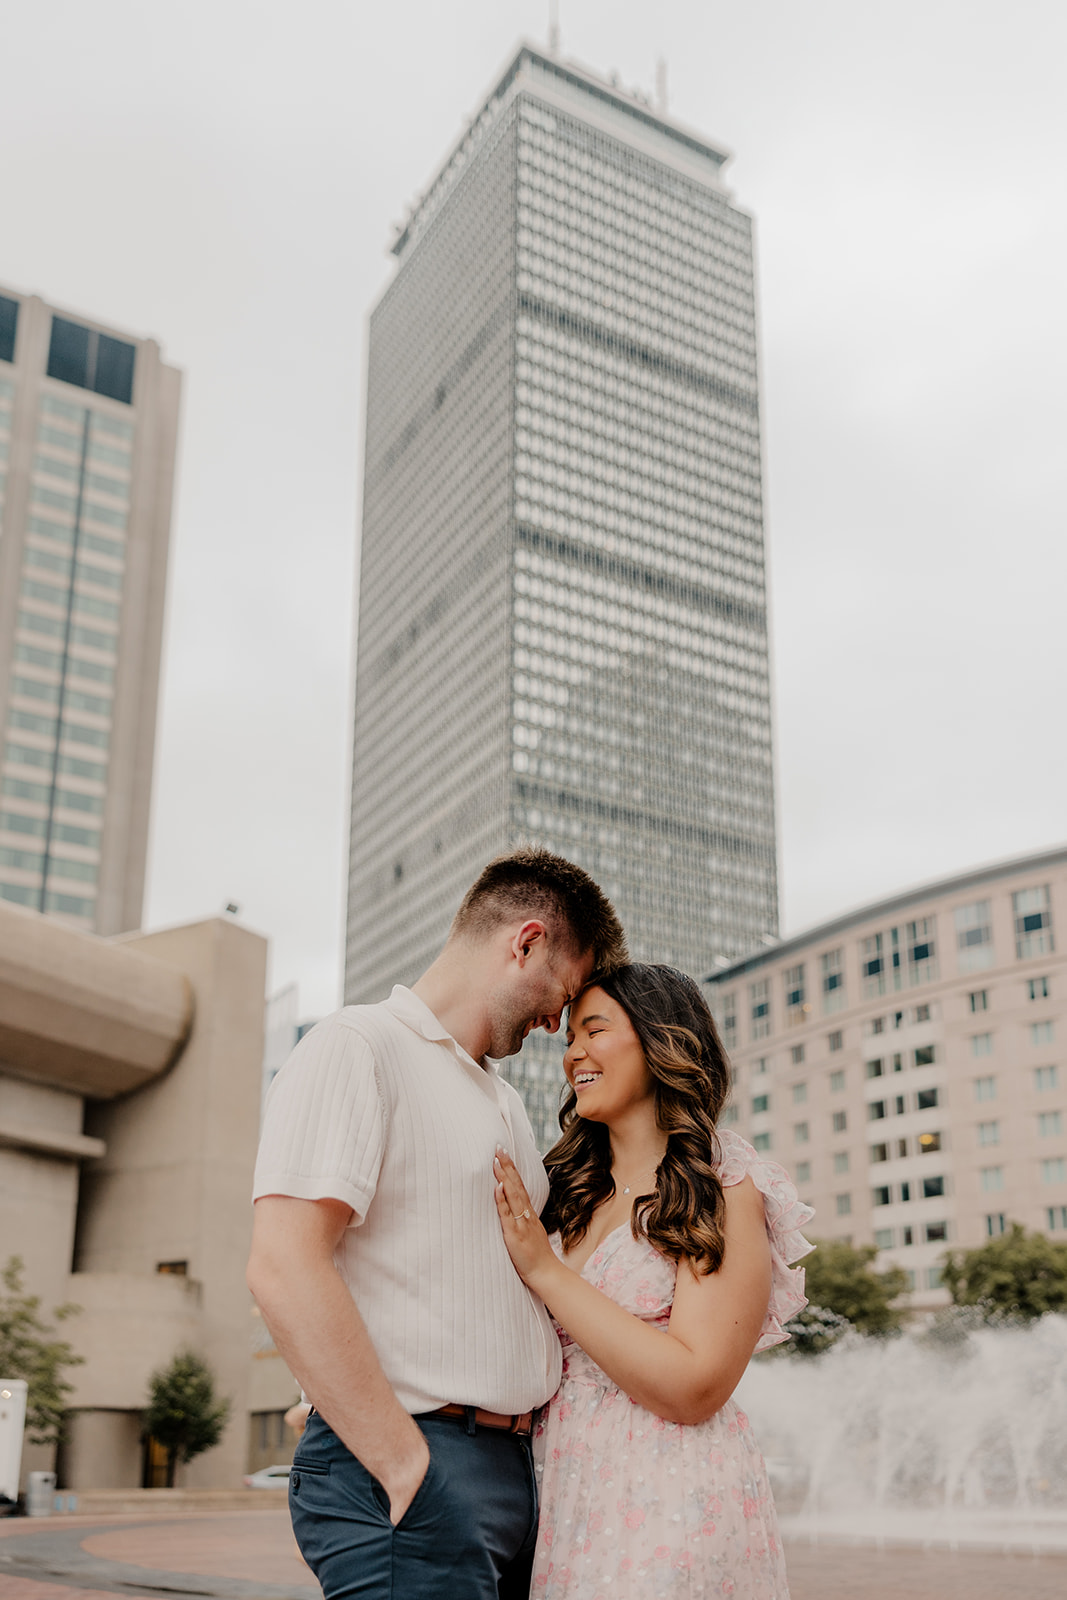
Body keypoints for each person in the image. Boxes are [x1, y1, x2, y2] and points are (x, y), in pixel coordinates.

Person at [246, 848, 627, 1600]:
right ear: (525, 942)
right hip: (417, 1460)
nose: (561, 1020)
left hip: (510, 1471)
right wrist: (401, 1463)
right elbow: (283, 1266)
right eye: (567, 988)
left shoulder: (506, 1105)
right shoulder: (358, 1046)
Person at [493, 962, 814, 1599]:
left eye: (595, 1030)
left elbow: (696, 1386)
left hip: (671, 1495)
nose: (574, 1053)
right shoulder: (563, 1192)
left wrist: (546, 1273)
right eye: (569, 1040)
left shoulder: (720, 1182)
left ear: (659, 1039)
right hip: (557, 1490)